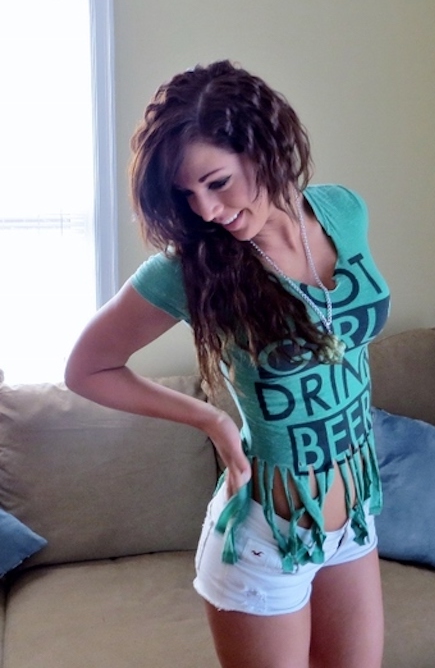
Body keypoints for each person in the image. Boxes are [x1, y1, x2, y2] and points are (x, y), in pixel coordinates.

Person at [65, 60, 390, 668]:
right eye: (188, 196)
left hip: (353, 520)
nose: (208, 211)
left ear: (262, 148)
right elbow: (87, 368)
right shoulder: (191, 269)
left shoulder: (343, 211)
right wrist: (211, 421)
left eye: (217, 183)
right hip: (266, 539)